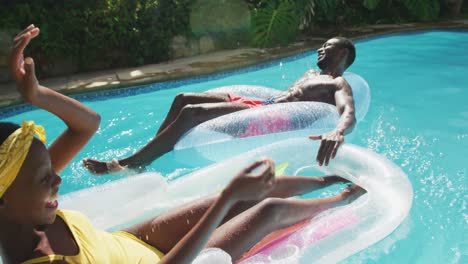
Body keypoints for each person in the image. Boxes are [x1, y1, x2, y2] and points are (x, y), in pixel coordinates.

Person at [0, 25, 365, 264]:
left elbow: (88, 125)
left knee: (244, 192)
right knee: (265, 209)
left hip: (131, 239)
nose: (57, 179)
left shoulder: (22, 202)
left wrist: (34, 93)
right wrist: (226, 199)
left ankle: (326, 181)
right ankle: (343, 198)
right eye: (44, 176)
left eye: (50, 170)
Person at [83, 37, 357, 174]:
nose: (320, 49)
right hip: (262, 103)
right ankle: (150, 153)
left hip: (271, 116)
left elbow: (348, 112)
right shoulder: (312, 75)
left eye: (328, 47)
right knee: (183, 99)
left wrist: (338, 132)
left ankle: (128, 164)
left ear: (343, 53)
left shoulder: (337, 83)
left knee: (193, 114)